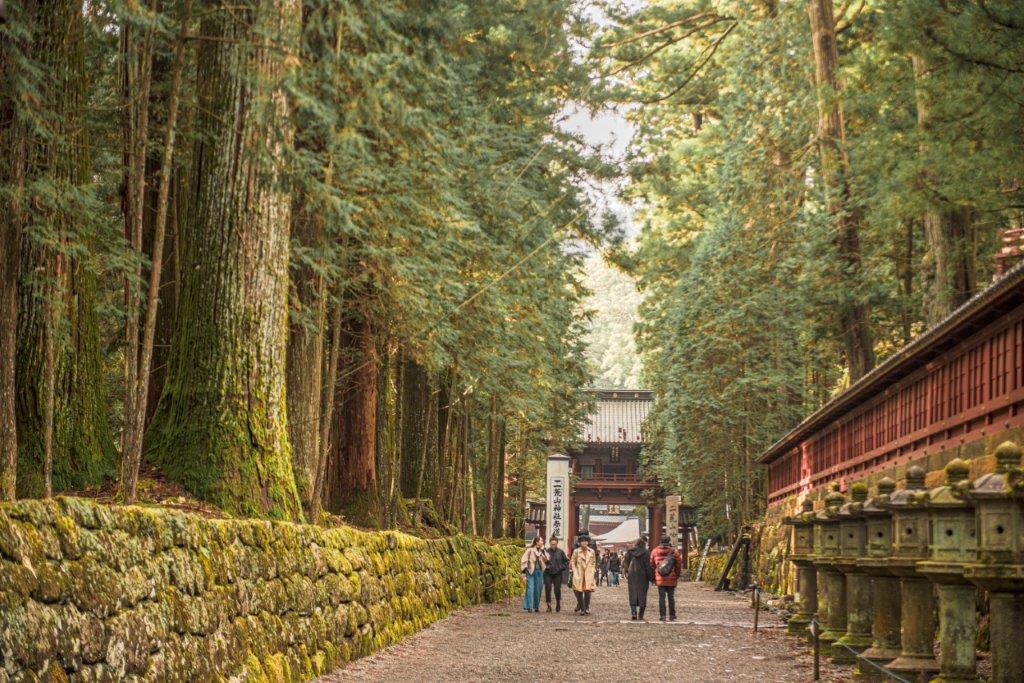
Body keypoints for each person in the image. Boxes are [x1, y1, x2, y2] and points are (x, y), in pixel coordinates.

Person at [650, 534, 682, 621]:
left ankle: (662, 615)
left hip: (660, 578)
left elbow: (651, 565)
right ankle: (672, 615)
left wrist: (654, 577)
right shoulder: (674, 551)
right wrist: (676, 575)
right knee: (671, 597)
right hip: (671, 577)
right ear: (669, 541)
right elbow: (678, 565)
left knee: (661, 597)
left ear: (660, 541)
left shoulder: (655, 551)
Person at [623, 537, 653, 620]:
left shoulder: (630, 551)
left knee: (632, 593)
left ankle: (633, 612)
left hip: (632, 575)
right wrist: (652, 578)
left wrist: (626, 572)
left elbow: (626, 563)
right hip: (643, 576)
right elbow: (648, 566)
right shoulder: (646, 552)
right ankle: (641, 615)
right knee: (643, 594)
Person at [570, 535, 597, 615]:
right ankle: (582, 608)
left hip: (589, 573)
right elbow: (573, 562)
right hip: (579, 573)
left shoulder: (591, 551)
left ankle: (587, 607)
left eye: (585, 541)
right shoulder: (576, 551)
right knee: (578, 591)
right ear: (580, 543)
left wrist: (592, 571)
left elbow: (593, 562)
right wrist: (575, 572)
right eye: (582, 541)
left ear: (588, 542)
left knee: (588, 591)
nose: (584, 543)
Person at [520, 536, 547, 613]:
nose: (542, 542)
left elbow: (547, 559)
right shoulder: (530, 550)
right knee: (530, 588)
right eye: (541, 540)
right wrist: (524, 571)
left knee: (538, 589)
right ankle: (529, 606)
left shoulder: (542, 551)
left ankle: (536, 606)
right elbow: (524, 560)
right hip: (530, 571)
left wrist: (543, 551)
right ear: (536, 542)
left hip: (539, 572)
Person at [543, 535, 568, 612]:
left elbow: (566, 561)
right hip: (548, 573)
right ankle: (549, 605)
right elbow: (542, 562)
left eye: (554, 544)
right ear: (550, 544)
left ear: (557, 543)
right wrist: (546, 565)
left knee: (557, 589)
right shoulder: (546, 551)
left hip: (558, 573)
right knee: (547, 588)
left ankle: (558, 603)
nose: (553, 545)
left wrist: (561, 567)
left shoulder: (561, 552)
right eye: (551, 544)